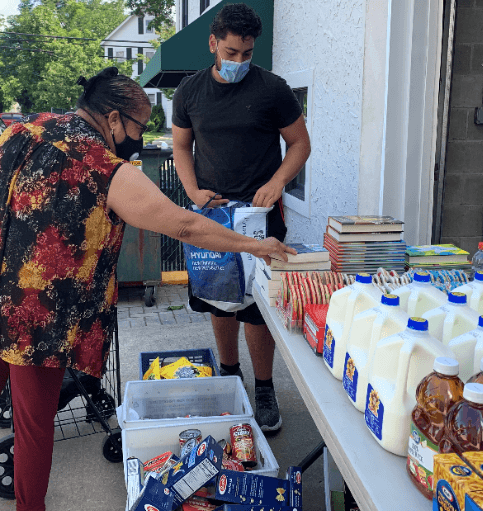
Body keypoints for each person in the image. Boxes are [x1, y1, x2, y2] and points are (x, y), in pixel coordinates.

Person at [0, 67, 295, 511]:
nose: (139, 137)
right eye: (139, 126)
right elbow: (185, 225)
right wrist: (255, 246)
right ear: (111, 119)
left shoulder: (21, 131)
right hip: (38, 315)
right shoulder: (104, 167)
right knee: (34, 423)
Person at [172, 3, 311, 432]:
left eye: (247, 54)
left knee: (258, 306)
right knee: (220, 297)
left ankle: (265, 387)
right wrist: (192, 191)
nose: (239, 62)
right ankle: (230, 374)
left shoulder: (273, 89)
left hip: (260, 213)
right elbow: (180, 147)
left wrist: (278, 182)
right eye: (231, 53)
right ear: (213, 43)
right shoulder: (189, 92)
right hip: (212, 213)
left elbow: (300, 144)